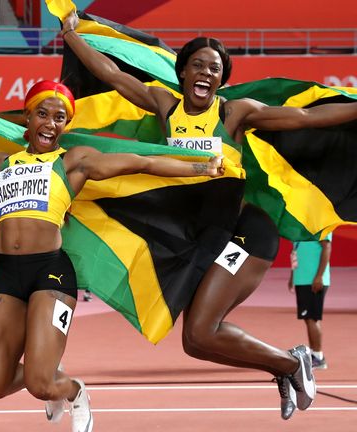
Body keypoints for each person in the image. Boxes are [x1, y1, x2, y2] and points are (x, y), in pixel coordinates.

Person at [60, 10, 357, 420]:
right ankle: (289, 363)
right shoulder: (166, 105)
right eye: (197, 65)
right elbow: (112, 75)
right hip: (197, 236)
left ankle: (293, 363)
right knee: (197, 339)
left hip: (243, 233)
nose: (205, 72)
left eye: (214, 69)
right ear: (182, 73)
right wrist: (72, 36)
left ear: (221, 80)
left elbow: (307, 117)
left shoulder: (233, 114)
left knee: (202, 328)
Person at [0, 79, 224, 431]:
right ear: (27, 118)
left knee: (39, 383)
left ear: (66, 125)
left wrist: (200, 168)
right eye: (42, 114)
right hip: (7, 275)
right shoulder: (2, 164)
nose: (50, 123)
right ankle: (50, 379)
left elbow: (141, 163)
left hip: (51, 274)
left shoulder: (73, 162)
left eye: (60, 117)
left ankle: (73, 391)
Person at [289, 234, 332, 370]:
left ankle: (318, 357)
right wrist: (292, 277)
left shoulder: (321, 225)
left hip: (314, 280)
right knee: (308, 319)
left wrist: (319, 277)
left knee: (312, 318)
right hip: (302, 279)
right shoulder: (300, 228)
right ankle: (314, 355)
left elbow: (327, 248)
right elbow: (296, 254)